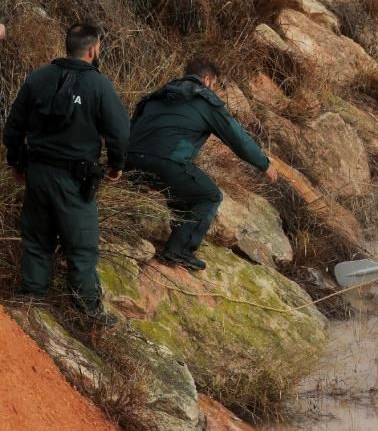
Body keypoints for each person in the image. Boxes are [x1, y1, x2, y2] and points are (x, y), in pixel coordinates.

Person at [2, 23, 129, 330]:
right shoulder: (99, 86)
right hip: (75, 179)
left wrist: (17, 162)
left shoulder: (39, 77)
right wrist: (116, 165)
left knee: (37, 238)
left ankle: (31, 295)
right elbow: (120, 132)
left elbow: (13, 126)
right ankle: (87, 310)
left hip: (38, 173)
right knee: (81, 244)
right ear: (94, 49)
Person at [126, 58, 278, 270]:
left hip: (128, 161)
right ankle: (178, 251)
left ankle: (175, 235)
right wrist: (264, 164)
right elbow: (237, 139)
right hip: (165, 162)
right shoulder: (205, 102)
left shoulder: (158, 95)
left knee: (182, 189)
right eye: (214, 84)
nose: (213, 88)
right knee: (209, 196)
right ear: (207, 80)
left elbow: (131, 127)